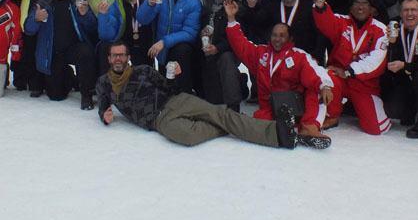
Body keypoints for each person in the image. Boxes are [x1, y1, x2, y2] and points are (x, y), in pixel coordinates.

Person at [96, 42, 302, 149]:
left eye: (122, 54)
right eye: (115, 55)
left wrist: (175, 77)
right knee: (189, 136)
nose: (118, 58)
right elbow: (103, 103)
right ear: (109, 58)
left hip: (176, 101)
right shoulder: (104, 83)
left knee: (221, 115)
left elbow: (168, 86)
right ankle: (230, 124)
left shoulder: (142, 70)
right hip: (159, 120)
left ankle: (278, 133)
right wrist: (104, 116)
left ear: (127, 57)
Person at [224, 0, 333, 148]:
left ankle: (309, 128)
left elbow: (314, 73)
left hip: (295, 105)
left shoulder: (298, 55)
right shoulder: (261, 53)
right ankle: (283, 131)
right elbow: (241, 44)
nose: (277, 39)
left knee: (315, 89)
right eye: (274, 35)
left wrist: (324, 86)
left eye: (282, 36)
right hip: (270, 106)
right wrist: (231, 19)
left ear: (290, 38)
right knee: (259, 121)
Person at [312, 0, 391, 135]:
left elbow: (376, 60)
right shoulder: (342, 21)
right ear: (350, 8)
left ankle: (357, 106)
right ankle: (332, 115)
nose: (360, 7)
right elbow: (326, 22)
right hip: (340, 79)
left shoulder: (381, 30)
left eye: (365, 3)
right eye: (356, 3)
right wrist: (320, 5)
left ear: (372, 9)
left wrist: (349, 71)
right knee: (329, 75)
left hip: (364, 84)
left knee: (376, 129)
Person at [23, 0, 99, 109]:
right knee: (56, 95)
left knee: (86, 51)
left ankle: (86, 94)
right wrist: (36, 19)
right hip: (53, 52)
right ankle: (69, 76)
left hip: (74, 48)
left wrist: (85, 15)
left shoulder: (78, 0)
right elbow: (28, 29)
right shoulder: (44, 2)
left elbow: (93, 26)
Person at [137, 0, 202, 94]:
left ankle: (185, 94)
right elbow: (142, 19)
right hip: (162, 50)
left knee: (181, 52)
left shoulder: (193, 2)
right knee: (166, 84)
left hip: (179, 48)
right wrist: (149, 4)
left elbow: (190, 32)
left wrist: (164, 42)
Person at [380, 0, 418, 138]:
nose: (410, 13)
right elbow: (389, 63)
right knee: (394, 112)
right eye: (406, 10)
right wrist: (392, 45)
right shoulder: (394, 31)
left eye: (414, 10)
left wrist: (406, 66)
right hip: (402, 81)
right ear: (400, 13)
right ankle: (410, 109)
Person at [243, 0, 326, 64]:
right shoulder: (271, 8)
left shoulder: (310, 8)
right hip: (277, 61)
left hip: (305, 61)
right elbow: (254, 24)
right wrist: (251, 6)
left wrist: (316, 57)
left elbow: (321, 35)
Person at [10, 0, 55, 96]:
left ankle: (44, 82)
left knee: (44, 53)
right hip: (28, 22)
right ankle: (31, 83)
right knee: (29, 53)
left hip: (47, 22)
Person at [199, 0, 245, 111]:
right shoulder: (209, 0)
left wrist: (218, 48)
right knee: (213, 98)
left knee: (226, 59)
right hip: (208, 45)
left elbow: (237, 34)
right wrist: (202, 32)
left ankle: (233, 104)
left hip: (229, 49)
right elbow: (202, 21)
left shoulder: (236, 3)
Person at [96, 0, 153, 69]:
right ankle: (107, 83)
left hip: (147, 46)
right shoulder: (115, 6)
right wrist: (103, 16)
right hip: (126, 48)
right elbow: (106, 36)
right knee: (104, 46)